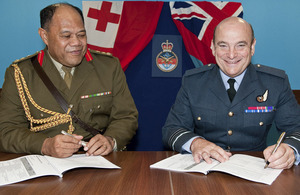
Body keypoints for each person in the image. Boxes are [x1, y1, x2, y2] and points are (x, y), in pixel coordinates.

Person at [0, 3, 138, 158]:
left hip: (97, 161)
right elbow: (6, 131)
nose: (76, 43)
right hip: (45, 164)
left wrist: (110, 140)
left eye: (81, 35)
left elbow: (126, 117)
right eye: (66, 36)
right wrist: (44, 145)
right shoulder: (21, 73)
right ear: (45, 36)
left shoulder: (108, 67)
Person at [162, 16, 300, 169]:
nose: (232, 54)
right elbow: (171, 129)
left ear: (252, 47)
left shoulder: (275, 83)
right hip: (204, 168)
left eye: (240, 45)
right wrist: (195, 143)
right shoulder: (193, 82)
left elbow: (297, 129)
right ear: (213, 47)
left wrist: (290, 150)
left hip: (255, 171)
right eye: (223, 46)